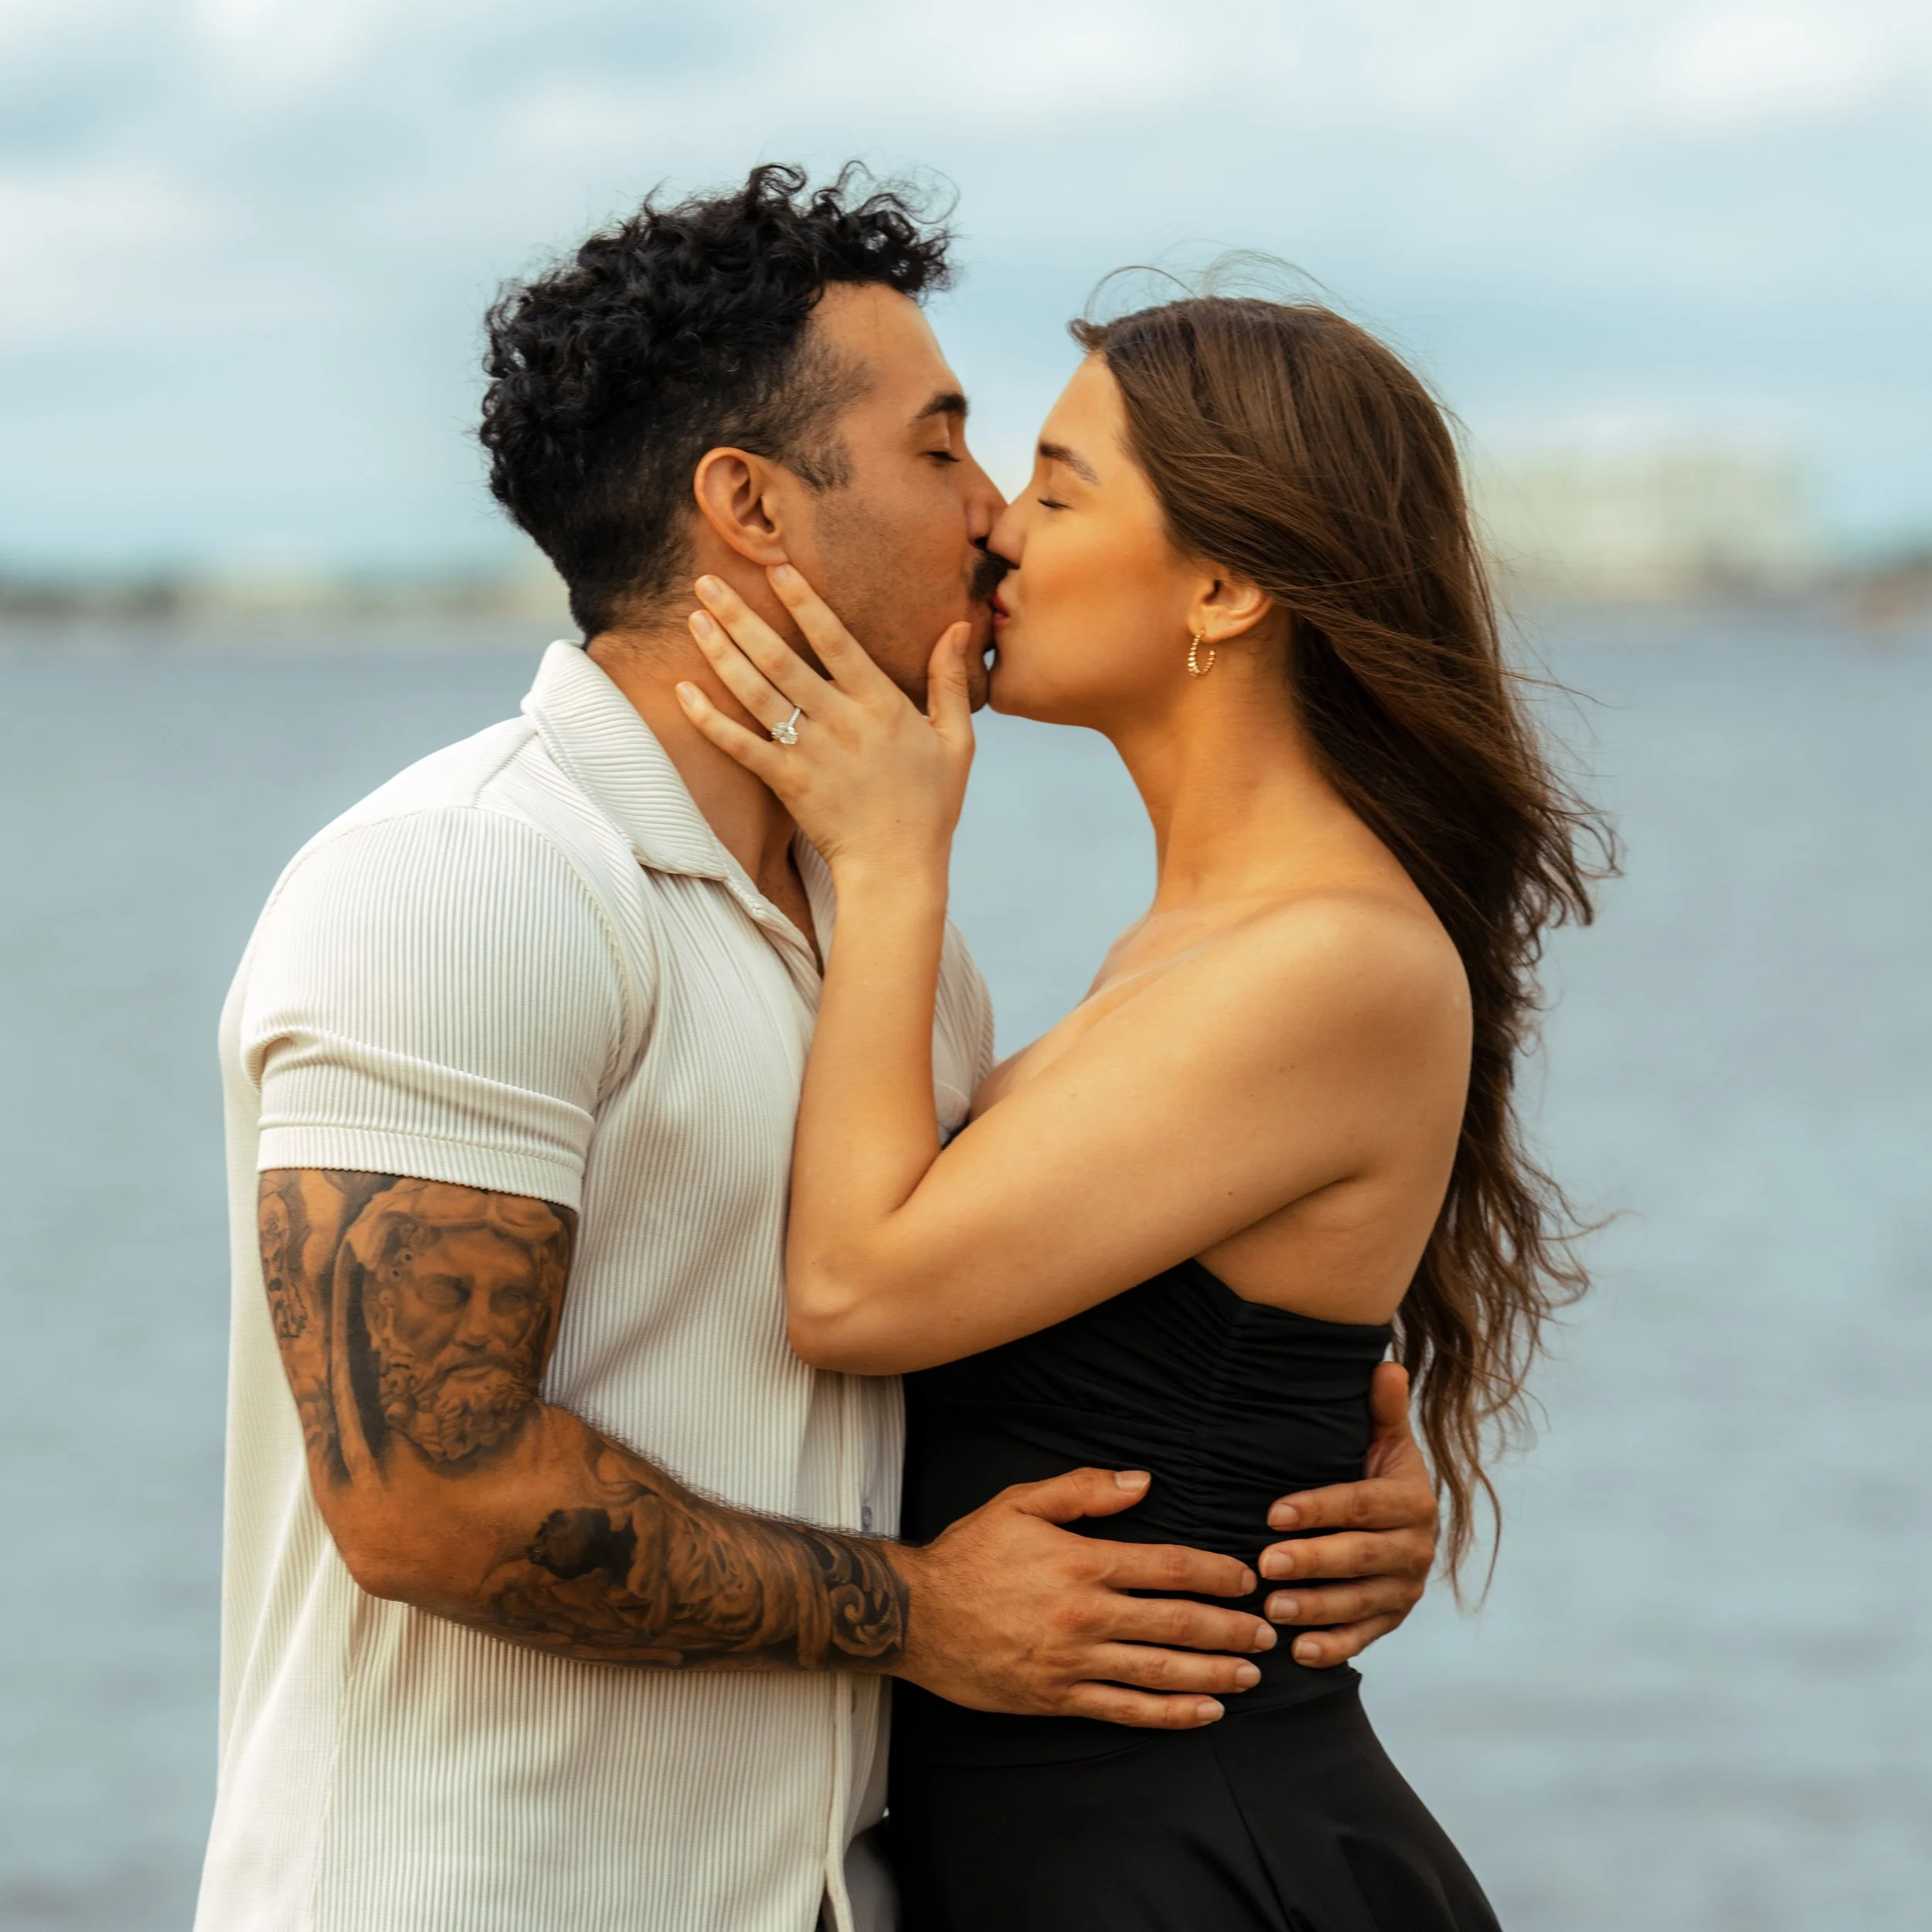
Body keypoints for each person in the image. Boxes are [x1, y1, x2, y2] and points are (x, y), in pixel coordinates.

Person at [193, 168, 1441, 1932]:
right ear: (752, 505)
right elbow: (426, 1496)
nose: (992, 517)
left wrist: (1284, 1465)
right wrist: (921, 1612)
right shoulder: (464, 878)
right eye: (944, 451)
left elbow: (951, 1344)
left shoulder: (895, 950)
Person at [678, 287, 1601, 1928]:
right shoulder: (1207, 943)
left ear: (1225, 588)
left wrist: (890, 861)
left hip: (1185, 1858)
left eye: (1055, 488)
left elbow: (854, 1291)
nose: (994, 531)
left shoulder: (1328, 959)